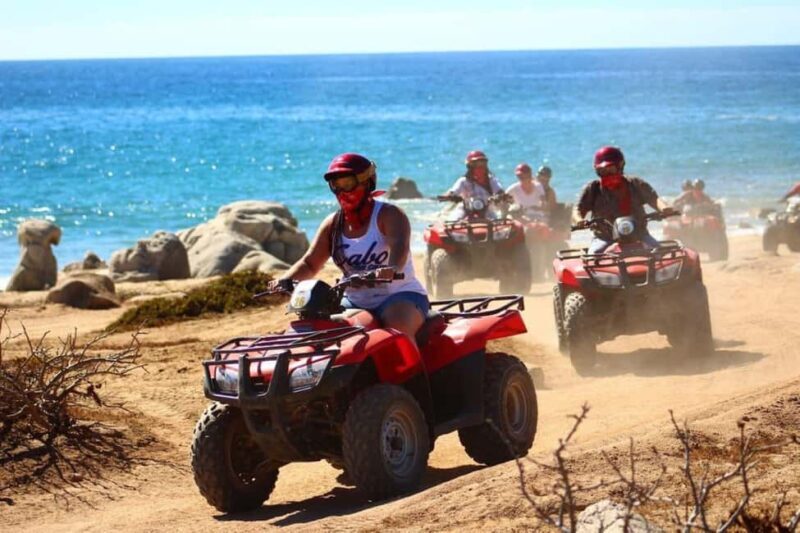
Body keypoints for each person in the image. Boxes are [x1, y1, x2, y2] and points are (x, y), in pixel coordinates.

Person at [270, 153, 428, 341]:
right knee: (325, 334)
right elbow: (310, 263)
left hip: (399, 295)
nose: (342, 192)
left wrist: (391, 269)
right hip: (353, 301)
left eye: (348, 184)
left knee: (397, 331)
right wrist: (284, 282)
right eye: (336, 186)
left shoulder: (389, 215)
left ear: (367, 182)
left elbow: (399, 248)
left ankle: (412, 371)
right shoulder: (333, 224)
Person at [574, 146, 676, 254]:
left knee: (662, 254)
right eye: (603, 171)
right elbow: (578, 209)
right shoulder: (593, 189)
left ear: (620, 166)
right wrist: (579, 220)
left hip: (639, 235)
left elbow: (654, 199)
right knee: (593, 257)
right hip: (605, 238)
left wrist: (665, 208)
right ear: (597, 171)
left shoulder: (635, 184)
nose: (608, 174)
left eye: (611, 169)